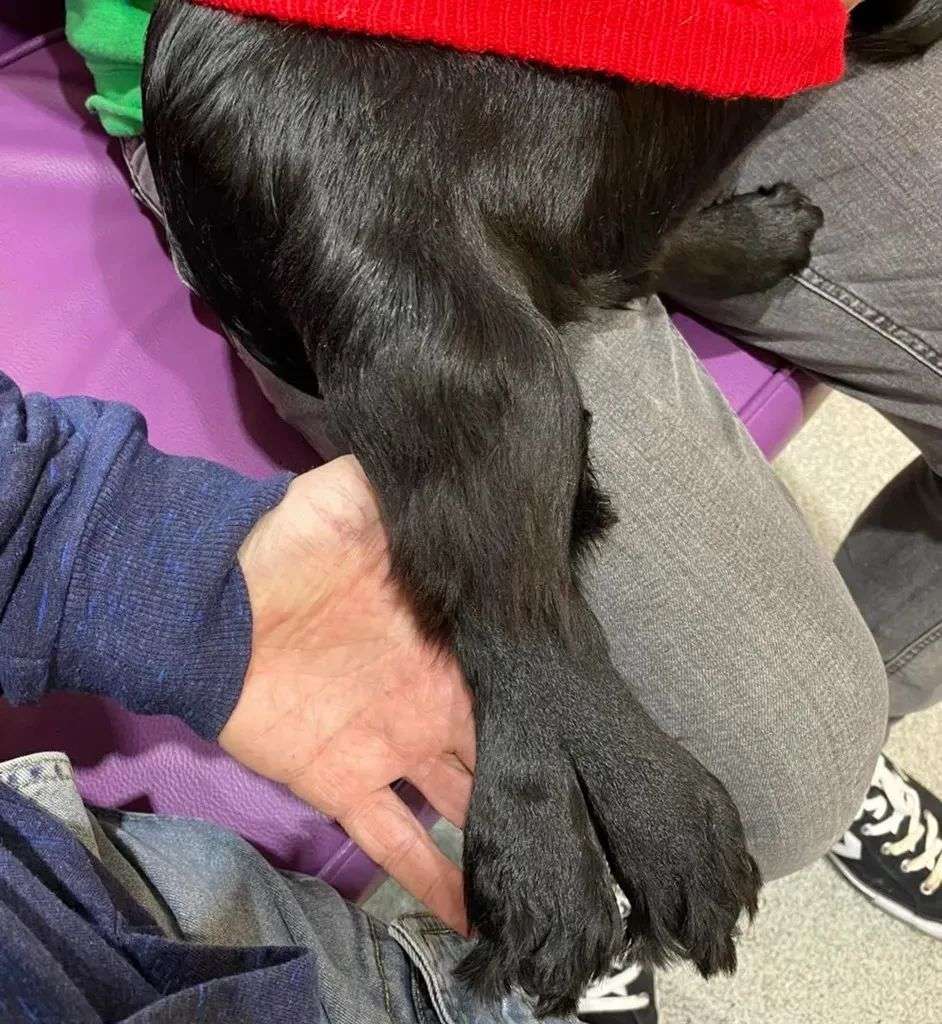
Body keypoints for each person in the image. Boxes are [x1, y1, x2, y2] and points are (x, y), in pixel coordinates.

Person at [0, 2, 937, 1023]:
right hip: (332, 79)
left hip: (749, 32)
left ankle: (834, 682)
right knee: (786, 768)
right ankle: (619, 829)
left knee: (770, 746)